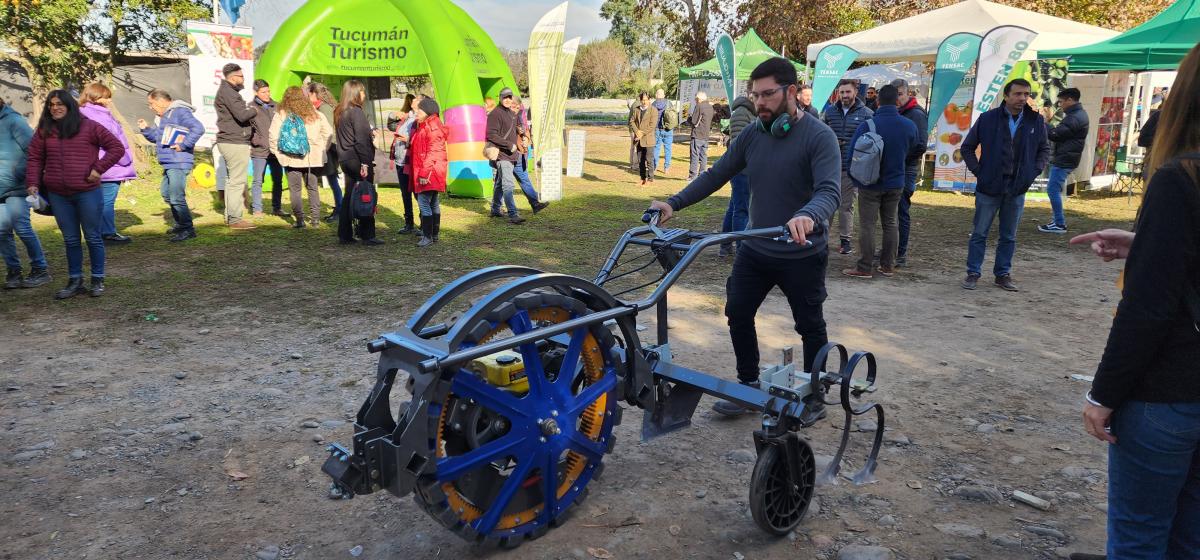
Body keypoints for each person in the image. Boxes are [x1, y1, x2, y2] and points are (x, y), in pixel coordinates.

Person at [647, 57, 841, 418]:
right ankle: (748, 387)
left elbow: (830, 192)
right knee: (737, 312)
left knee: (810, 324)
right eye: (755, 95)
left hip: (801, 252)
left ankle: (815, 398)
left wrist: (808, 215)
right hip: (756, 248)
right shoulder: (753, 133)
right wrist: (674, 203)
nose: (760, 103)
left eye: (768, 94)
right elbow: (716, 174)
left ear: (793, 92)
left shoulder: (820, 137)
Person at [1069, 42, 1200, 560]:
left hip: (1167, 392)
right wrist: (1147, 244)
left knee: (1138, 538)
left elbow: (1148, 309)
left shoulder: (1180, 178)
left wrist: (1103, 396)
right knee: (1190, 539)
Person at [25, 90, 125, 299]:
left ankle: (97, 279)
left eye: (60, 104)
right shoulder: (44, 130)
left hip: (87, 192)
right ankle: (75, 280)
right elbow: (34, 158)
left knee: (92, 237)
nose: (55, 108)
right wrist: (33, 183)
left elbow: (116, 147)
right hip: (58, 195)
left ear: (70, 106)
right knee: (70, 239)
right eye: (51, 105)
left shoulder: (89, 126)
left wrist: (98, 169)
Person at [959, 79, 1049, 292]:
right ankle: (973, 272)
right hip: (989, 187)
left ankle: (1002, 274)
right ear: (1006, 96)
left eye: (1026, 94)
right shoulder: (988, 119)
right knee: (980, 233)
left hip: (1017, 188)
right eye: (1018, 94)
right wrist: (980, 173)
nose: (1022, 98)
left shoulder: (1035, 121)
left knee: (1009, 235)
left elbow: (1044, 149)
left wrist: (1032, 171)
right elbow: (967, 148)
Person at [841, 85, 919, 279]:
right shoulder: (909, 126)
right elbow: (914, 150)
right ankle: (887, 266)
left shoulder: (867, 125)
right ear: (897, 101)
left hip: (870, 183)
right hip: (896, 183)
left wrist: (855, 178)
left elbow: (851, 156)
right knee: (891, 224)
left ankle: (865, 267)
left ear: (877, 101)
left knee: (868, 225)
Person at [138, 89, 205, 242]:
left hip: (179, 161)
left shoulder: (180, 112)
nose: (151, 107)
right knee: (167, 194)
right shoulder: (164, 116)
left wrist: (183, 144)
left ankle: (188, 229)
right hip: (170, 162)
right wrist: (146, 129)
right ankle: (181, 224)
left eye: (152, 103)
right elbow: (158, 138)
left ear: (161, 101)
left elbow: (198, 128)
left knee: (176, 196)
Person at [0, 95, 50, 288]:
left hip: (17, 186)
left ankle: (40, 268)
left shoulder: (14, 120)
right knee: (2, 231)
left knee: (21, 226)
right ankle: (14, 271)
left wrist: (18, 173)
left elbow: (34, 151)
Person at [77, 83, 136, 245]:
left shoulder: (80, 114)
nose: (109, 101)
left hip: (91, 165)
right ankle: (107, 233)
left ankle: (95, 233)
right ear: (96, 98)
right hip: (110, 166)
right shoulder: (101, 117)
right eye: (106, 97)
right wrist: (126, 161)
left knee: (95, 201)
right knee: (106, 201)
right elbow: (115, 143)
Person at [270, 85, 333, 228]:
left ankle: (299, 221)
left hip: (291, 158)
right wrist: (322, 149)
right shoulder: (315, 114)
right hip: (313, 159)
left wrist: (280, 155)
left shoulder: (281, 114)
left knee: (295, 190)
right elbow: (328, 133)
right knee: (313, 188)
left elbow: (273, 136)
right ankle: (315, 220)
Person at [822, 79, 873, 255]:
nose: (844, 95)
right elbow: (821, 134)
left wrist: (853, 145)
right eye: (842, 92)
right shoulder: (829, 112)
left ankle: (845, 240)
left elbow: (870, 141)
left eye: (848, 92)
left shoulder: (867, 114)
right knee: (826, 204)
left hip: (851, 167)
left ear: (855, 92)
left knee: (846, 205)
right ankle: (822, 239)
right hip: (829, 167)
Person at [334, 80, 382, 245]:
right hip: (358, 159)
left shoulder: (340, 111)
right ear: (355, 93)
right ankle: (367, 233)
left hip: (345, 159)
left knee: (349, 196)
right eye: (362, 92)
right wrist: (365, 163)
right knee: (366, 194)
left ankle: (345, 234)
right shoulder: (357, 112)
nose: (364, 95)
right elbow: (361, 140)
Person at [1039, 88, 1089, 234]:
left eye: (1061, 102)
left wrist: (1045, 122)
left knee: (1052, 190)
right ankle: (1057, 222)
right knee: (1054, 190)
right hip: (1067, 157)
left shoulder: (1074, 117)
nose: (1060, 105)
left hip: (1065, 159)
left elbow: (1055, 135)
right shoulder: (1076, 115)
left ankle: (1059, 223)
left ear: (1070, 100)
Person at [213, 63, 258, 229]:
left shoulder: (228, 92)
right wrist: (254, 110)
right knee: (237, 182)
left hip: (231, 140)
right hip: (234, 141)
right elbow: (241, 115)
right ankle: (235, 219)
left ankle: (230, 216)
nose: (243, 79)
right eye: (241, 76)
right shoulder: (229, 93)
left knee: (233, 181)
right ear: (233, 78)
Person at [892, 79, 929, 267]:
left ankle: (900, 254)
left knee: (901, 211)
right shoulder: (896, 112)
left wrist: (898, 158)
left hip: (906, 170)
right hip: (893, 169)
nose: (897, 98)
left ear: (907, 93)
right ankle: (890, 249)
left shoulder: (916, 114)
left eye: (900, 94)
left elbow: (921, 145)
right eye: (894, 94)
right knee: (890, 213)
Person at [718, 93, 754, 258]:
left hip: (746, 168)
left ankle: (725, 245)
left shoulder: (751, 111)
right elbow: (740, 144)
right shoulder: (742, 112)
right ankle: (741, 249)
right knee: (742, 210)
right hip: (742, 169)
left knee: (735, 206)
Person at [409, 97, 448, 247]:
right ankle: (434, 234)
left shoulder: (432, 128)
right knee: (433, 203)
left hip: (430, 171)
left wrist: (424, 174)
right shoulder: (427, 125)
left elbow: (433, 153)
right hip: (432, 170)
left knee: (424, 203)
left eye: (419, 110)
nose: (416, 112)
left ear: (428, 111)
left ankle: (428, 236)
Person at [486, 87, 526, 224]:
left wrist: (523, 137)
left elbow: (515, 132)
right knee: (508, 184)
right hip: (502, 155)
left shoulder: (512, 113)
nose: (508, 100)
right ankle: (513, 214)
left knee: (499, 183)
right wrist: (509, 145)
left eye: (510, 97)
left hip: (512, 154)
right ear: (500, 98)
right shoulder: (495, 114)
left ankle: (495, 209)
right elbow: (491, 135)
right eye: (505, 97)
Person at [307, 82, 342, 222]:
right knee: (332, 180)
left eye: (309, 93)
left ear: (315, 94)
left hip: (329, 149)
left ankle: (340, 209)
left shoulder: (324, 108)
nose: (308, 96)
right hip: (327, 148)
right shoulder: (321, 107)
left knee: (333, 180)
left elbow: (328, 131)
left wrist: (324, 148)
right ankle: (339, 207)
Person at [249, 79, 285, 217]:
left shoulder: (277, 106)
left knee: (278, 180)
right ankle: (257, 209)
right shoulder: (251, 107)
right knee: (258, 180)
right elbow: (248, 129)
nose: (267, 94)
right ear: (256, 92)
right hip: (259, 150)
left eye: (268, 91)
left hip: (276, 151)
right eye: (263, 92)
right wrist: (257, 141)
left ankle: (277, 208)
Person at [511, 97, 549, 214]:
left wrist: (527, 139)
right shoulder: (503, 116)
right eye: (514, 106)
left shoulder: (518, 116)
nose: (517, 108)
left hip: (518, 153)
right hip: (506, 155)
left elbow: (524, 130)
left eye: (518, 107)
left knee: (523, 178)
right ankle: (508, 212)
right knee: (503, 184)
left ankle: (535, 203)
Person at [389, 93, 418, 235]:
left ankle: (424, 223)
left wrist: (406, 139)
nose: (413, 102)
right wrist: (392, 114)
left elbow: (418, 140)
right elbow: (390, 125)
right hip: (401, 160)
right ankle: (409, 223)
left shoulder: (417, 120)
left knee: (417, 194)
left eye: (417, 100)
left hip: (411, 162)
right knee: (405, 194)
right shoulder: (406, 118)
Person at [629, 92, 658, 186]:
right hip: (638, 139)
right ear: (640, 100)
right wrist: (637, 131)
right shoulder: (637, 109)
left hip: (649, 139)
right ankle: (642, 178)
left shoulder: (653, 110)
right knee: (640, 160)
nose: (644, 102)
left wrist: (642, 133)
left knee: (649, 160)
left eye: (646, 100)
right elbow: (632, 121)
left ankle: (650, 179)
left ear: (649, 100)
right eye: (643, 100)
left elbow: (652, 125)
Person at [687, 91, 714, 180]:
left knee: (694, 155)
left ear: (699, 99)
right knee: (703, 156)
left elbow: (694, 122)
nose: (695, 101)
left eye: (696, 99)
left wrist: (689, 118)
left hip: (697, 134)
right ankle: (702, 174)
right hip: (706, 135)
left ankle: (692, 175)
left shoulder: (699, 106)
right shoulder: (710, 107)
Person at [652, 88, 675, 175]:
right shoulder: (669, 103)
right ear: (664, 95)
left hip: (657, 129)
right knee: (668, 149)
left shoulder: (653, 104)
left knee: (656, 148)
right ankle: (666, 168)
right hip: (668, 129)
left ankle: (654, 166)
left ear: (656, 95)